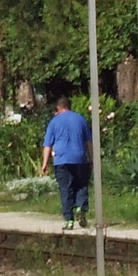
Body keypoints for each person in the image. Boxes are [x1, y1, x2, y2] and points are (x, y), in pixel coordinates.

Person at [39, 96, 94, 231]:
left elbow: (48, 145)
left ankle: (69, 220)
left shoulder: (54, 122)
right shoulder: (81, 119)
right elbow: (89, 142)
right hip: (80, 158)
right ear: (70, 106)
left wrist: (44, 163)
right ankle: (81, 207)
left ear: (58, 107)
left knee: (66, 189)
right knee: (81, 185)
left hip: (61, 160)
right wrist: (92, 159)